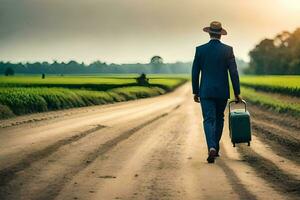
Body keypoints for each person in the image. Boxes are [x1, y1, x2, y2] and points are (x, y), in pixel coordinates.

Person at [191, 21, 242, 164]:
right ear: (221, 34)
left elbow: (195, 72)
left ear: (209, 33)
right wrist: (237, 92)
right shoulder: (228, 50)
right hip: (222, 92)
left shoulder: (200, 50)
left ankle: (211, 146)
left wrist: (196, 91)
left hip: (205, 91)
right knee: (219, 118)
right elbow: (234, 72)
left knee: (208, 119)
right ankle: (215, 147)